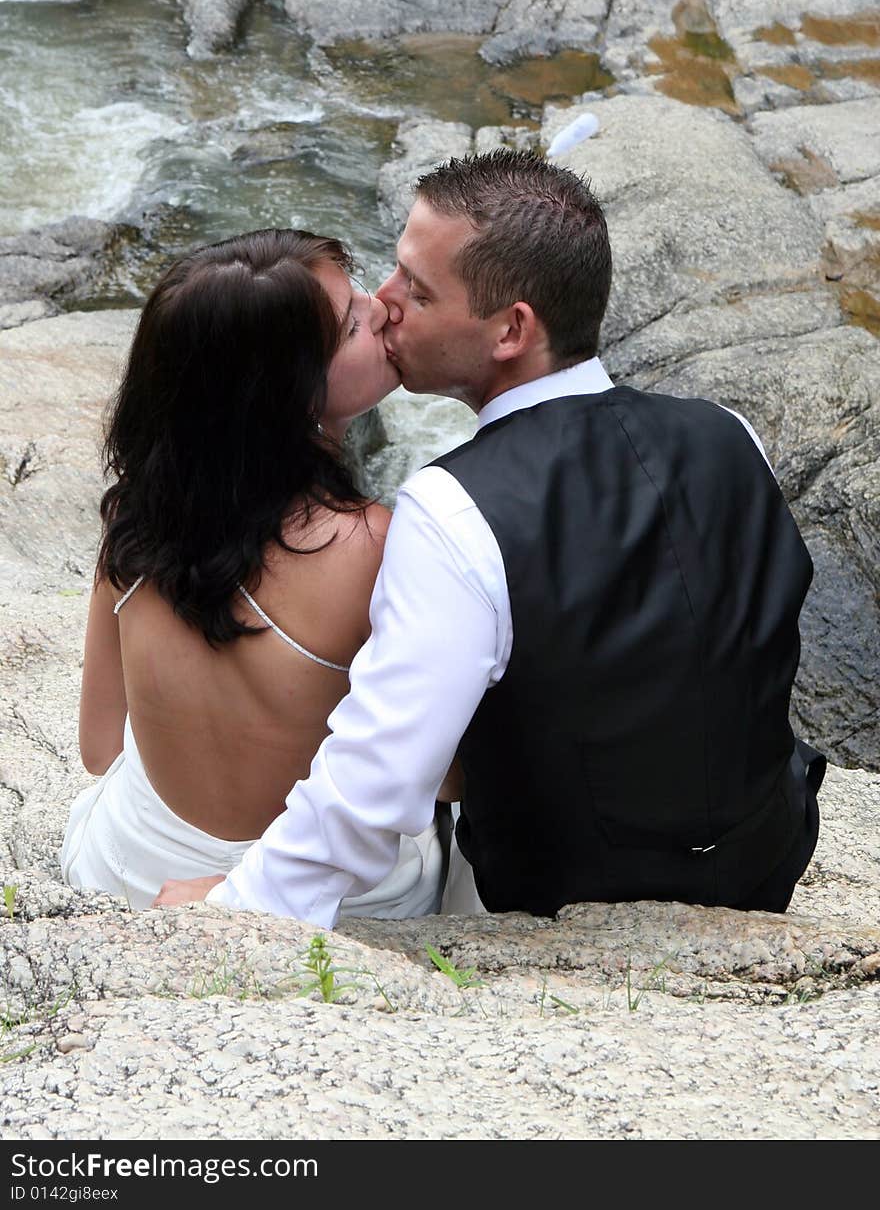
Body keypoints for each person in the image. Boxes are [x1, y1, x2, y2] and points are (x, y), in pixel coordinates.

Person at [154, 151, 824, 923]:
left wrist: (237, 904)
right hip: (763, 860)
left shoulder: (450, 510)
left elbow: (377, 782)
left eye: (417, 287)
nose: (382, 302)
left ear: (511, 330)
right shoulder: (732, 434)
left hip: (555, 903)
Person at [61, 227, 447, 914]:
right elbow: (443, 778)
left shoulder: (134, 518)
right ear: (294, 393)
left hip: (126, 865)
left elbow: (98, 747)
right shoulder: (373, 543)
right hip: (318, 898)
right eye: (352, 321)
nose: (384, 306)